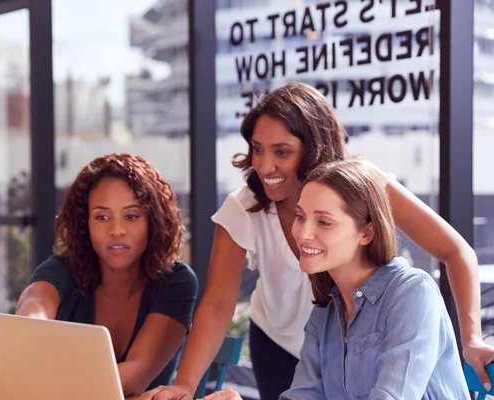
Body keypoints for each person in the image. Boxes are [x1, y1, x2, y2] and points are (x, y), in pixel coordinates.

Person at [140, 82, 492, 400]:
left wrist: (471, 338)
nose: (264, 165)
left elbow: (454, 249)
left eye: (282, 151)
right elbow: (218, 305)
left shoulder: (368, 201)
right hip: (299, 340)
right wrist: (185, 384)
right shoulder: (323, 311)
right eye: (257, 149)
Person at [203, 160, 470, 400]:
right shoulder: (325, 312)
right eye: (301, 216)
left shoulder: (413, 294)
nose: (303, 234)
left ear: (367, 233)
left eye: (324, 222)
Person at [15, 153, 198, 397]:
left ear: (153, 221)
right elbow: (35, 302)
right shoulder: (63, 269)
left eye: (131, 216)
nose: (117, 230)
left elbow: (134, 377)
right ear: (85, 223)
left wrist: (50, 382)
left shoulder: (176, 282)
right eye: (102, 217)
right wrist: (30, 327)